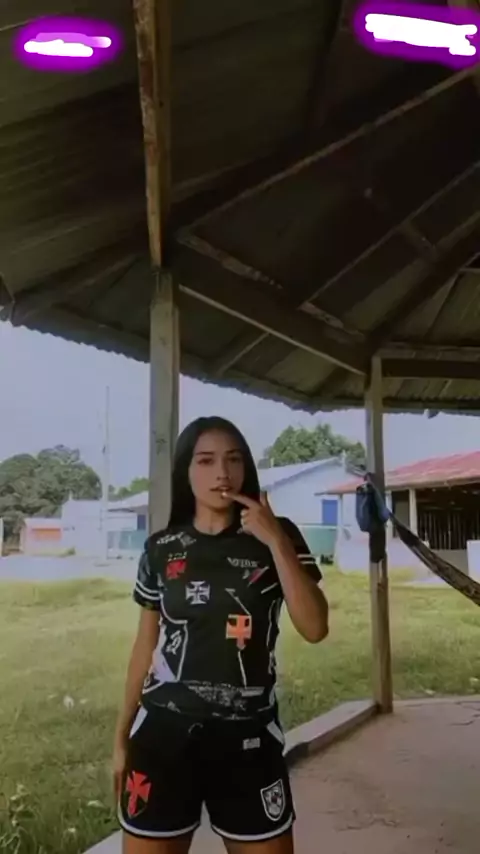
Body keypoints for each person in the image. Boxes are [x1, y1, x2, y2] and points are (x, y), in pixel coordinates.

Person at [113, 416, 329, 854]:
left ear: (246, 467)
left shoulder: (279, 535)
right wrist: (120, 739)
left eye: (233, 460)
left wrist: (276, 541)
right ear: (185, 471)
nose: (222, 473)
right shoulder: (160, 549)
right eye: (206, 461)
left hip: (248, 738)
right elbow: (145, 647)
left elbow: (315, 628)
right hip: (162, 737)